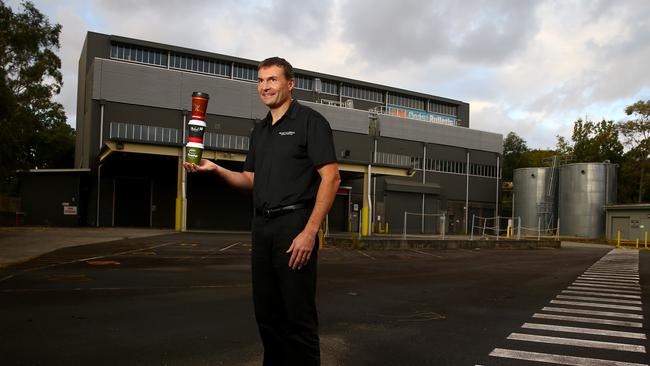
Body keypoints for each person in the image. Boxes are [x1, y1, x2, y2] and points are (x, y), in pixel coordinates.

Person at [185, 57, 340, 366]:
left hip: (294, 226)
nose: (265, 86)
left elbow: (331, 177)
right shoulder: (260, 131)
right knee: (268, 318)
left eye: (272, 79)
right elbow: (250, 180)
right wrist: (215, 168)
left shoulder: (310, 121)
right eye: (260, 80)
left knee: (298, 320)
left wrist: (310, 232)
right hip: (262, 228)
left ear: (289, 84)